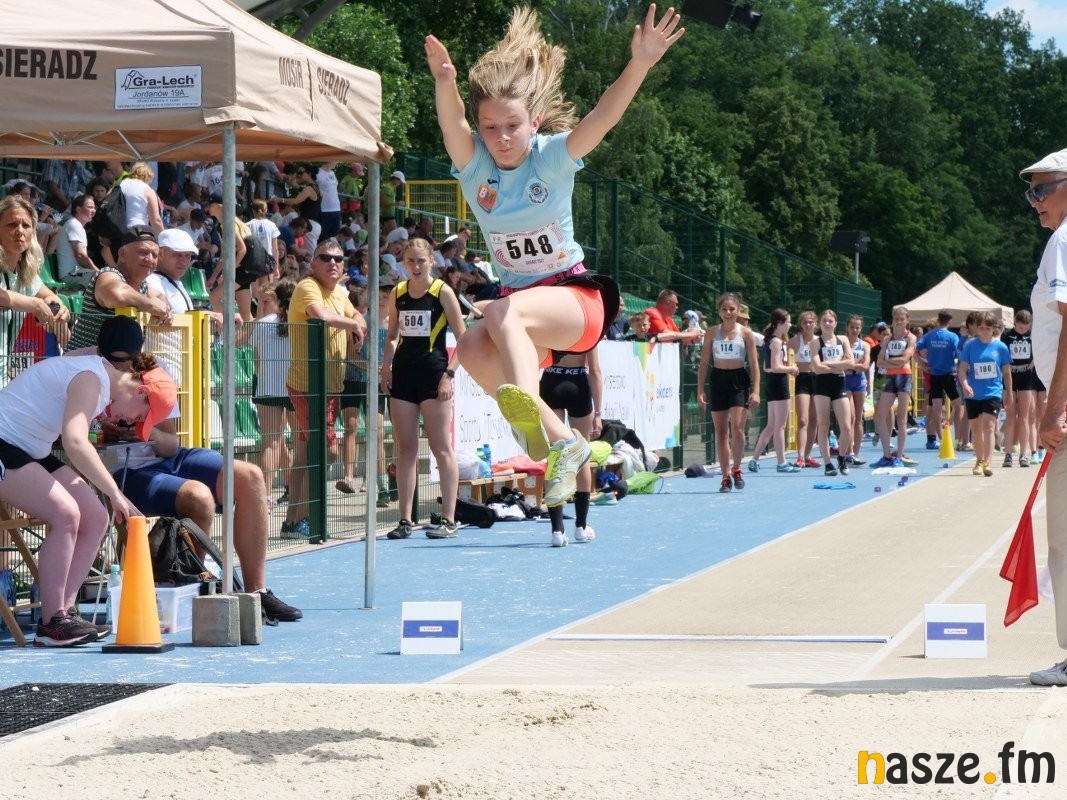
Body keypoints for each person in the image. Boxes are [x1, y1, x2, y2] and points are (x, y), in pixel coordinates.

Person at [425, 5, 681, 506]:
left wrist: (640, 64)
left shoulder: (551, 157)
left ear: (535, 122)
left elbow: (603, 116)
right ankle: (564, 442)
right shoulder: (475, 168)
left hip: (575, 300)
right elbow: (452, 122)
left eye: (512, 125)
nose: (501, 137)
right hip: (522, 316)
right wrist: (445, 79)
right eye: (490, 127)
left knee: (501, 311)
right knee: (472, 347)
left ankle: (524, 405)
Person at [0, 346, 176, 646]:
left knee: (95, 517)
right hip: (6, 443)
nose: (130, 422)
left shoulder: (99, 375)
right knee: (66, 514)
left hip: (29, 447)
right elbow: (75, 443)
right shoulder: (92, 379)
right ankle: (52, 622)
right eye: (139, 416)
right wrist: (115, 493)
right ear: (141, 391)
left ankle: (64, 613)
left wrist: (112, 495)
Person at [379, 239, 466, 539]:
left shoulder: (442, 292)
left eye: (421, 261)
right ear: (403, 263)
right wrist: (386, 366)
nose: (415, 267)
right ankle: (405, 519)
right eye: (410, 261)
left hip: (434, 376)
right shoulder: (398, 292)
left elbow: (463, 339)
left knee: (441, 447)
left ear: (431, 261)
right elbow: (392, 335)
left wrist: (449, 376)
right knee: (406, 449)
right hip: (403, 375)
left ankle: (449, 519)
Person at [282, 239, 367, 539]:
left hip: (329, 386)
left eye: (338, 259)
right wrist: (353, 325)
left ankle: (292, 521)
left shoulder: (339, 292)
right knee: (327, 450)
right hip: (309, 386)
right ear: (313, 263)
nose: (333, 263)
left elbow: (355, 313)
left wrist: (358, 321)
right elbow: (322, 315)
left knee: (306, 453)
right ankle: (304, 516)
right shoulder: (308, 287)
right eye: (326, 257)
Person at [1023, 147, 1067, 685]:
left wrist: (1054, 410)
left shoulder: (1063, 240)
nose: (1034, 202)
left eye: (1041, 190)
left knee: (1065, 535)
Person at [67, 226, 173, 351]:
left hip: (114, 361)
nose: (150, 259)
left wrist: (165, 309)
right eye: (143, 252)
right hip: (83, 359)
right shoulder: (107, 274)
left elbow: (159, 296)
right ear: (122, 254)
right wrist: (149, 304)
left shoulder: (142, 286)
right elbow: (117, 294)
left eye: (155, 255)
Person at [236, 280, 295, 503]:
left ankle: (266, 496)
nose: (262, 305)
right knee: (289, 441)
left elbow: (240, 344)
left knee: (272, 442)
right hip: (292, 386)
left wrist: (258, 319)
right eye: (260, 301)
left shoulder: (263, 324)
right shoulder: (297, 321)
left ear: (277, 300)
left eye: (266, 301)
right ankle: (293, 489)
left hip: (268, 387)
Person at [0, 195, 70, 382]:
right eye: (11, 224)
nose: (19, 231)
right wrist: (35, 304)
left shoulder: (25, 273)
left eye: (26, 225)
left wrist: (58, 308)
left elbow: (49, 296)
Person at [696, 292, 760, 492]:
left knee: (738, 429)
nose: (728, 313)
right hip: (718, 380)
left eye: (732, 309)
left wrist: (756, 390)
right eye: (724, 309)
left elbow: (754, 364)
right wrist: (700, 390)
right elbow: (704, 363)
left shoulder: (746, 333)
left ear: (738, 310)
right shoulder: (711, 333)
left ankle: (737, 468)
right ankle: (725, 477)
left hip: (738, 380)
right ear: (719, 311)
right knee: (721, 432)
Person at [540, 345, 603, 546]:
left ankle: (557, 530)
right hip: (577, 383)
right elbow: (595, 370)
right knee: (582, 456)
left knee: (555, 455)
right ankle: (581, 527)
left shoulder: (548, 328)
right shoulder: (585, 330)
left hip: (551, 380)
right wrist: (598, 413)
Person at [957, 310, 1012, 477]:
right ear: (976, 328)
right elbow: (962, 370)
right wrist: (965, 385)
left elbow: (1007, 372)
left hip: (992, 392)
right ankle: (979, 460)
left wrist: (1008, 392)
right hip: (973, 393)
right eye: (981, 328)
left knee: (988, 426)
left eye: (987, 328)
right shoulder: (970, 346)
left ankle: (988, 462)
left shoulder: (1001, 347)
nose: (984, 331)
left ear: (994, 328)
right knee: (976, 428)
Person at [748, 308, 800, 474]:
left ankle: (754, 459)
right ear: (779, 323)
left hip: (771, 382)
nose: (790, 325)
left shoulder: (770, 340)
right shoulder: (776, 341)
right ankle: (782, 463)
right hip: (779, 382)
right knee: (780, 426)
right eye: (788, 322)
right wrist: (791, 368)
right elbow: (776, 366)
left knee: (771, 425)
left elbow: (767, 367)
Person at [810, 309, 855, 477]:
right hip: (822, 385)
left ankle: (842, 457)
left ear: (835, 323)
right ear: (819, 324)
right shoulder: (815, 343)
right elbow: (817, 368)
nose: (827, 324)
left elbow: (851, 363)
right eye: (824, 321)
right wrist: (839, 364)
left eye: (830, 321)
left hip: (839, 383)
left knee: (846, 426)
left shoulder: (842, 339)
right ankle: (828, 463)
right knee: (824, 424)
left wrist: (828, 363)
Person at [871, 306, 917, 468]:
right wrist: (894, 363)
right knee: (879, 416)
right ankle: (886, 455)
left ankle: (899, 456)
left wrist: (889, 362)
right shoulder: (887, 339)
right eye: (896, 319)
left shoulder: (910, 337)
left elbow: (904, 359)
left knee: (901, 418)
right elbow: (879, 362)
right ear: (892, 320)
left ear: (907, 320)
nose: (898, 322)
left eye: (902, 319)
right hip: (890, 378)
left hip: (904, 377)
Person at [915, 310, 960, 452]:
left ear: (938, 320)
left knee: (936, 408)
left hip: (934, 375)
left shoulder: (929, 335)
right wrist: (958, 367)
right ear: (950, 322)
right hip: (948, 374)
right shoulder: (952, 336)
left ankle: (941, 439)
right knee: (958, 405)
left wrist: (922, 365)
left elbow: (914, 350)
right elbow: (959, 354)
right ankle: (952, 433)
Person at [1000, 309, 1039, 467]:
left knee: (1024, 417)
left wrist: (1034, 360)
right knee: (1010, 417)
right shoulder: (1006, 336)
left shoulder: (1033, 335)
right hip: (1010, 376)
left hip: (1026, 376)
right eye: (1020, 328)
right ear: (1015, 322)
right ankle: (1008, 454)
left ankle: (1023, 454)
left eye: (1026, 328)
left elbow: (1041, 350)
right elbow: (1001, 354)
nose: (1023, 331)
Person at [788, 310, 820, 468]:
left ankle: (808, 455)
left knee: (814, 420)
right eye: (805, 322)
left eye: (811, 322)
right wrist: (789, 367)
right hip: (803, 379)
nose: (808, 324)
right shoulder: (795, 341)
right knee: (802, 420)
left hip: (818, 379)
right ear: (801, 324)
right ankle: (800, 456)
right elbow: (782, 354)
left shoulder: (820, 341)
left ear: (816, 324)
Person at [843, 314, 871, 466]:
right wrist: (854, 366)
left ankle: (856, 453)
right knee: (850, 417)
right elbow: (840, 365)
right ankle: (849, 452)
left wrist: (850, 366)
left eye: (857, 327)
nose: (854, 330)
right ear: (847, 327)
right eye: (852, 327)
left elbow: (865, 365)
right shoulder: (842, 343)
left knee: (859, 419)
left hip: (859, 381)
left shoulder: (864, 345)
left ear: (861, 329)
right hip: (845, 382)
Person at [54, 193, 100, 287]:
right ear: (78, 209)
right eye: (90, 207)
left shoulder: (77, 226)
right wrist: (98, 272)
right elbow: (80, 255)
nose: (94, 210)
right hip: (70, 274)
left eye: (94, 208)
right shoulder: (74, 225)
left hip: (77, 272)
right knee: (102, 278)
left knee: (106, 277)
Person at [120, 161, 164, 234]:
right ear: (148, 176)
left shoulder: (122, 184)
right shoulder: (148, 190)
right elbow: (156, 220)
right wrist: (163, 236)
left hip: (120, 229)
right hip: (139, 231)